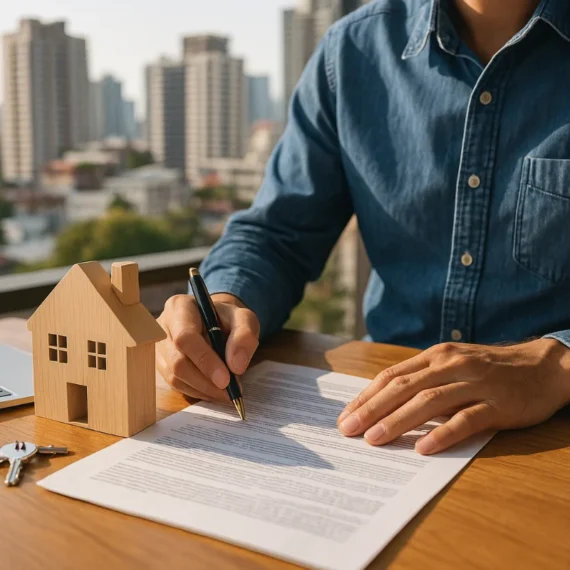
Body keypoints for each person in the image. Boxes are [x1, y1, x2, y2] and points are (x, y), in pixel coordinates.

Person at [157, 0, 570, 455]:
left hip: (549, 436)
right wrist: (224, 302)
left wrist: (555, 364)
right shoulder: (353, 50)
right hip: (383, 421)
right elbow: (278, 235)